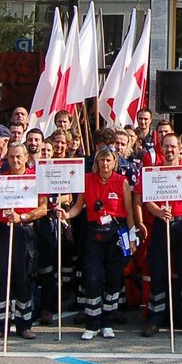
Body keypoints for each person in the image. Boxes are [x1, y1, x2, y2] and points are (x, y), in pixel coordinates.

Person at [140, 133, 182, 338]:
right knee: (158, 271)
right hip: (161, 223)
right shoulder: (153, 172)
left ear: (180, 149)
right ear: (161, 148)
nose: (170, 150)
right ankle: (155, 318)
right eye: (166, 146)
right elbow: (148, 201)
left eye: (173, 146)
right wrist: (158, 212)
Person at [72, 145, 133, 340]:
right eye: (102, 160)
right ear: (96, 162)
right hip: (94, 233)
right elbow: (77, 207)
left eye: (109, 160)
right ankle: (92, 323)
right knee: (93, 277)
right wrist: (65, 214)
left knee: (114, 277)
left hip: (116, 232)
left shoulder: (122, 182)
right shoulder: (87, 180)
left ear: (115, 162)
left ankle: (108, 322)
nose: (105, 164)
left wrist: (132, 237)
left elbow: (129, 212)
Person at [0, 144, 42, 340]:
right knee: (2, 279)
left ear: (26, 157)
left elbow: (43, 209)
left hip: (24, 230)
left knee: (23, 278)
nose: (15, 161)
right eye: (11, 157)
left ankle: (24, 324)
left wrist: (23, 217)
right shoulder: (1, 179)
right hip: (3, 232)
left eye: (18, 157)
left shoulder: (36, 178)